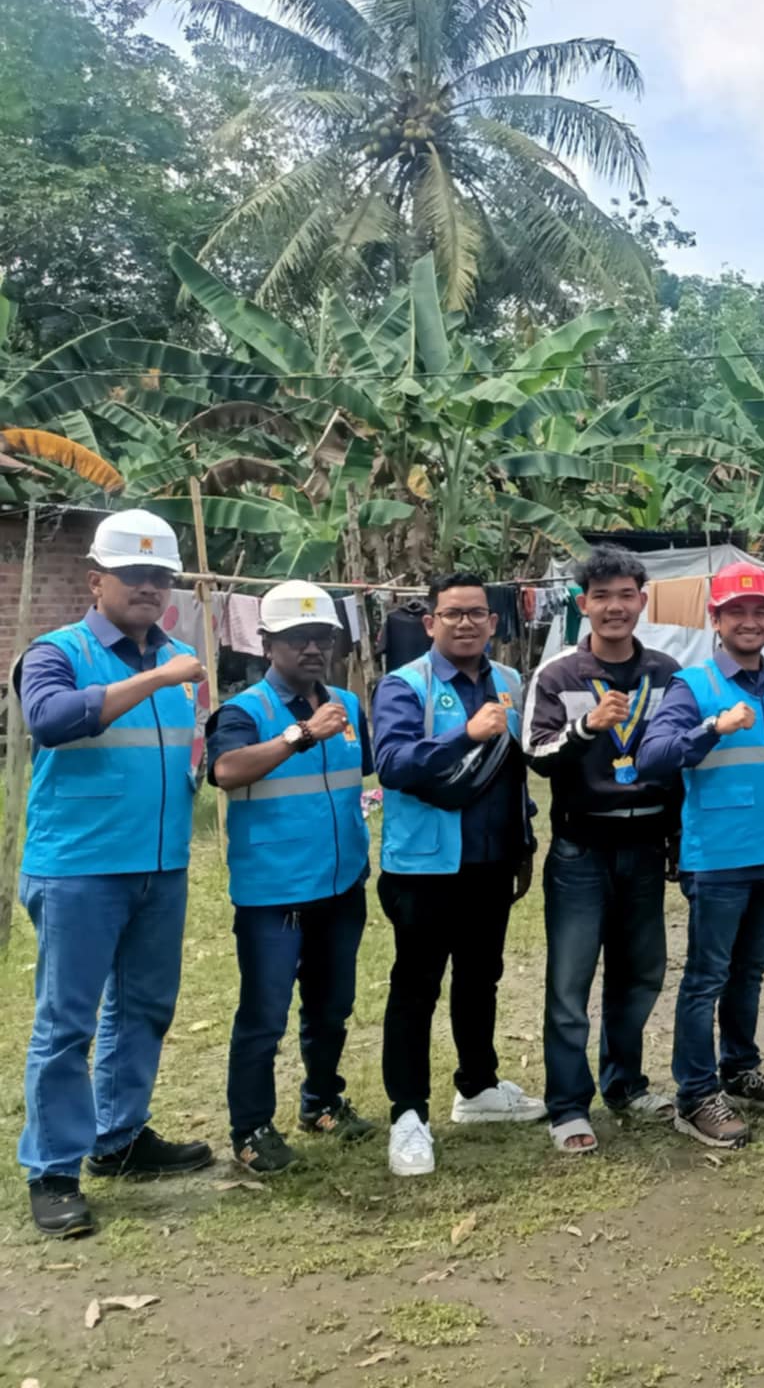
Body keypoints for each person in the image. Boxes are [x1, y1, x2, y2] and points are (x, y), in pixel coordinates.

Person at [14, 510, 212, 1238]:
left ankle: (120, 1137)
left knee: (144, 1007)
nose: (148, 588)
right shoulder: (56, 651)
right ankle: (53, 1170)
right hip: (79, 868)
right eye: (133, 575)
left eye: (160, 576)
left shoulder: (181, 657)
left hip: (160, 864)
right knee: (66, 1024)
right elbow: (50, 720)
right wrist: (157, 677)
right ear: (96, 581)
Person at [639, 561, 764, 1150]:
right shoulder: (693, 686)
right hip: (717, 859)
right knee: (706, 978)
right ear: (716, 620)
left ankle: (740, 1068)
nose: (749, 621)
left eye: (759, 611)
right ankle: (695, 1094)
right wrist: (713, 726)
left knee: (750, 970)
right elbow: (653, 757)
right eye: (736, 612)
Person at [373, 572, 543, 1177]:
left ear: (493, 623)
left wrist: (523, 842)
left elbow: (514, 769)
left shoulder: (511, 682)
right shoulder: (404, 685)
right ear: (430, 623)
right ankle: (407, 1115)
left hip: (491, 862)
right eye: (453, 614)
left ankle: (478, 1087)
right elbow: (392, 764)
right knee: (416, 986)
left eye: (476, 613)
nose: (465, 623)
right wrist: (462, 734)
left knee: (480, 978)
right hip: (425, 867)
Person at [207, 582, 373, 1175]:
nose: (312, 649)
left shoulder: (347, 706)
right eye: (297, 638)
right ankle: (251, 1129)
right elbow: (226, 770)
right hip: (274, 894)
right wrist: (300, 734)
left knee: (332, 1007)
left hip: (341, 884)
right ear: (266, 643)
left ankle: (322, 1101)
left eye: (321, 637)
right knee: (264, 1017)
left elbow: (361, 775)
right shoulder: (244, 711)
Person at [523, 545, 685, 1154]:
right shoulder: (558, 675)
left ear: (642, 600)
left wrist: (676, 839)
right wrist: (585, 728)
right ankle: (568, 1105)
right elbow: (535, 752)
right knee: (570, 983)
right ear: (582, 603)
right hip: (581, 850)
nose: (614, 607)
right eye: (601, 597)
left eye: (625, 595)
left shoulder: (666, 674)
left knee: (639, 974)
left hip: (644, 848)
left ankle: (625, 1084)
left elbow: (678, 760)